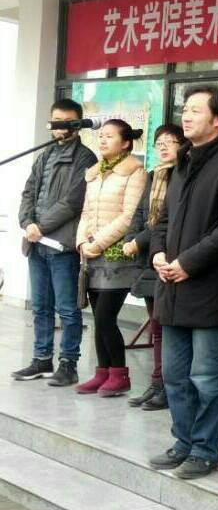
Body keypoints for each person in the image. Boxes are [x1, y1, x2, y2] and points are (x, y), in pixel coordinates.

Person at [148, 85, 218, 480]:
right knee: (175, 376)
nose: (187, 115)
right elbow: (163, 219)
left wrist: (188, 263)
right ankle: (184, 441)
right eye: (185, 109)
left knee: (207, 378)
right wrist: (158, 253)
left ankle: (206, 451)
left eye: (196, 110)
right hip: (173, 287)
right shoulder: (182, 162)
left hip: (211, 291)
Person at [14, 99, 97, 386]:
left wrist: (41, 226)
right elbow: (28, 192)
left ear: (77, 124)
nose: (60, 126)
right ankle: (41, 359)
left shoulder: (85, 158)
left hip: (62, 246)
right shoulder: (45, 154)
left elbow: (73, 201)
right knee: (40, 306)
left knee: (67, 309)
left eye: (66, 121)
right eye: (56, 121)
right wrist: (27, 223)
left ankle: (68, 363)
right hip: (36, 244)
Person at [75, 119, 147, 397]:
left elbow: (129, 216)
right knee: (98, 318)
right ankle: (102, 373)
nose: (102, 140)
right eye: (101, 136)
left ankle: (120, 374)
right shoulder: (94, 173)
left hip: (118, 258)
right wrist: (83, 242)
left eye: (109, 136)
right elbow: (85, 212)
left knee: (106, 317)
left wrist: (98, 242)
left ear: (126, 142)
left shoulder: (135, 172)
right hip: (92, 256)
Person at [123, 123, 185, 411]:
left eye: (170, 141)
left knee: (169, 328)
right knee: (156, 328)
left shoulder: (183, 175)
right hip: (148, 259)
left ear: (182, 146)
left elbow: (167, 220)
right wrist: (130, 239)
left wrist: (139, 241)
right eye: (159, 142)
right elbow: (140, 212)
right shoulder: (154, 175)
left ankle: (170, 387)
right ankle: (157, 383)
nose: (163, 146)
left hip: (169, 259)